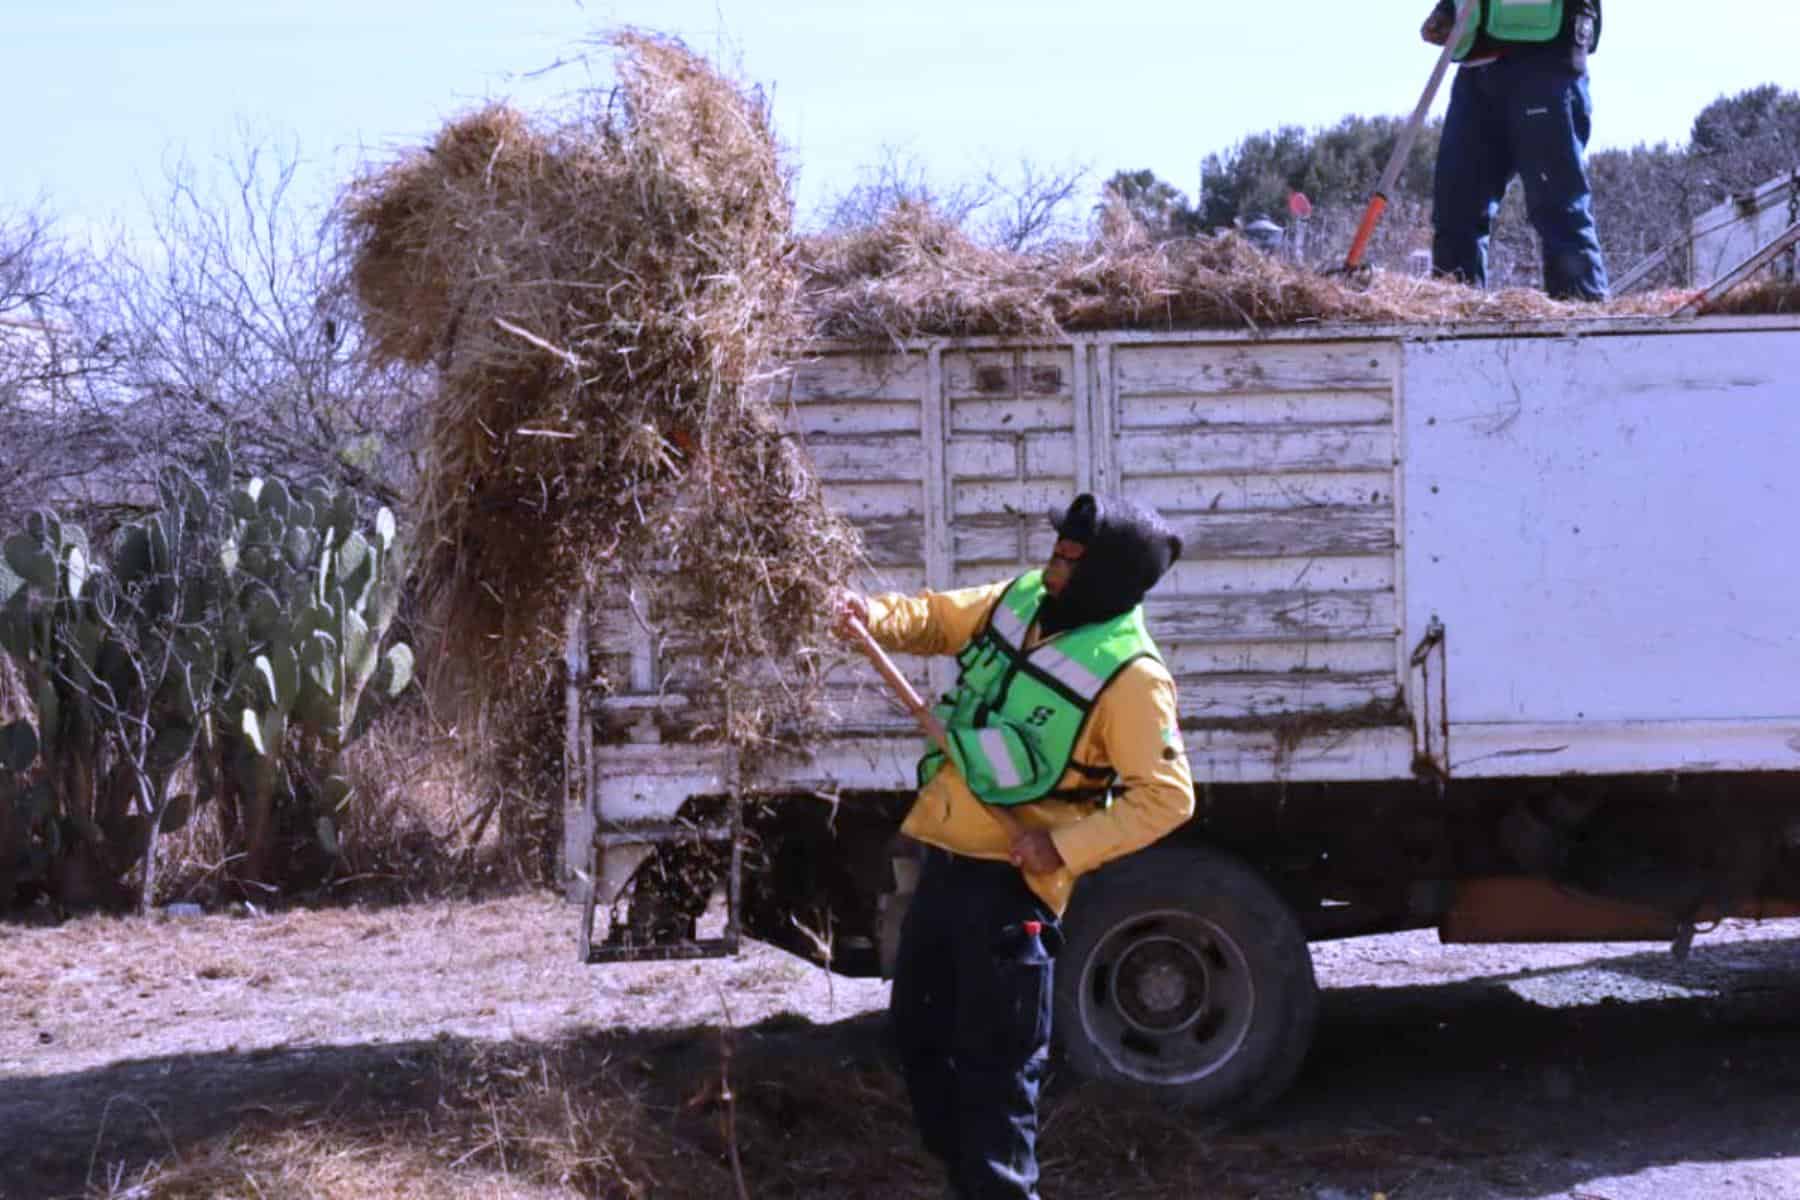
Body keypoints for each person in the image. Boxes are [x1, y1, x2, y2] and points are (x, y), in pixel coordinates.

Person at [832, 494, 1195, 1200]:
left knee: (998, 1072)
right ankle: (970, 1184)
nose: (1053, 562)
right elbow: (938, 620)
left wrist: (1063, 847)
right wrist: (867, 617)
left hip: (1013, 892)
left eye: (1069, 557)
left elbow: (1168, 796)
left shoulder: (1133, 678)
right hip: (945, 867)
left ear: (1107, 575)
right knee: (918, 1037)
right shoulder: (1022, 597)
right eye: (1057, 549)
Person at [1422, 0, 1610, 300]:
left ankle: (1582, 325)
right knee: (1456, 210)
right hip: (1477, 65)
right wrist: (1448, 10)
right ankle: (1453, 328)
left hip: (1545, 60)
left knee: (1558, 206)